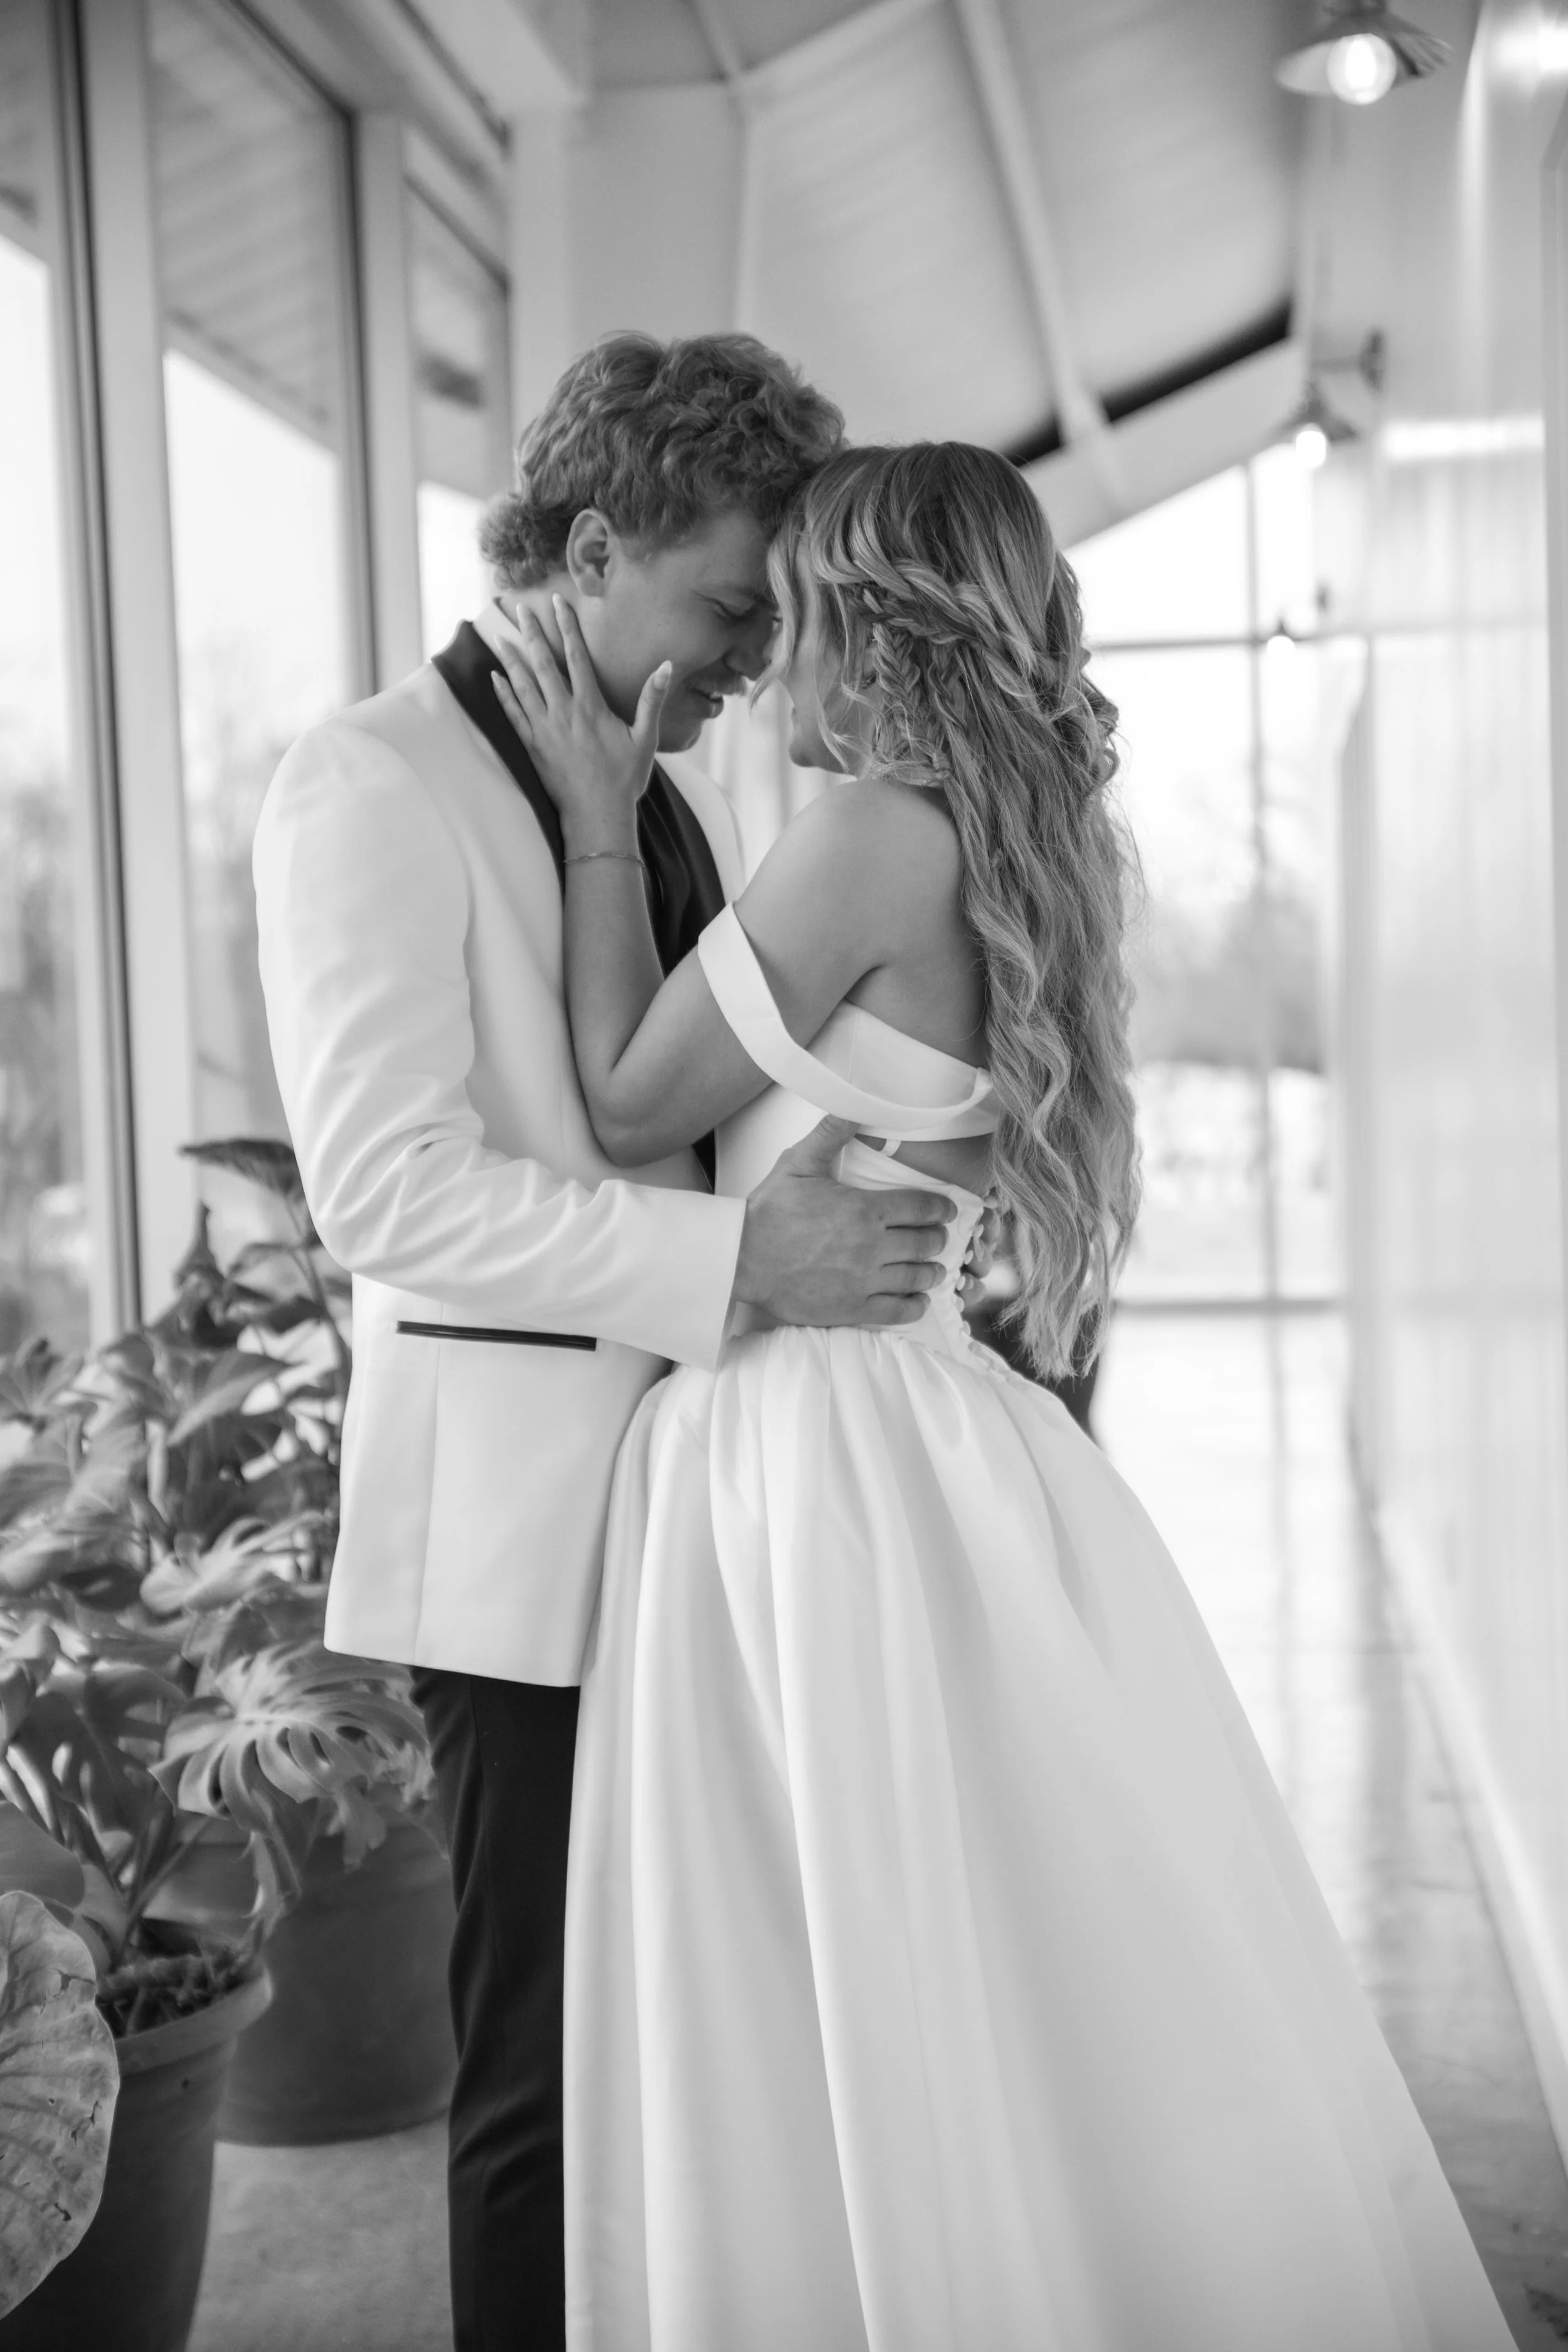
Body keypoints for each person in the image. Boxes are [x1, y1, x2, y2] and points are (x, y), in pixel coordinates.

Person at [489, 440, 1517, 2351]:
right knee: (973, 1945)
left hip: (811, 1443)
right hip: (933, 1417)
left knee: (823, 1958)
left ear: (860, 627)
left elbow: (633, 1100)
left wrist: (590, 810)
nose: (763, 659)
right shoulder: (1030, 822)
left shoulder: (871, 827)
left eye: (781, 615)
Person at [252, 336, 987, 2352]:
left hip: (719, 1510)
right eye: (733, 601)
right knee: (539, 2080)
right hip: (528, 1538)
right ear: (592, 545)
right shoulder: (371, 779)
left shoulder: (654, 776)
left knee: (699, 2055)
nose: (763, 650)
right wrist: (738, 1258)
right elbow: (386, 1192)